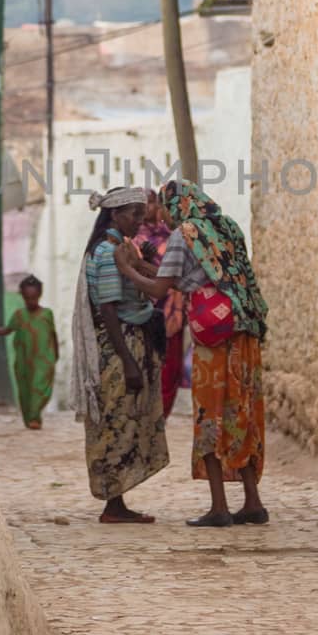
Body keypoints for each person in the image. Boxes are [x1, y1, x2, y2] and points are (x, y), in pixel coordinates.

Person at [116, 179, 268, 529]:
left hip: (214, 338)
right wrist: (147, 264)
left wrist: (127, 268)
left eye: (164, 207)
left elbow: (159, 289)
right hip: (243, 333)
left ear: (178, 205)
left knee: (210, 412)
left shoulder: (184, 233)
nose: (161, 214)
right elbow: (195, 278)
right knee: (241, 409)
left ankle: (218, 506)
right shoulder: (225, 226)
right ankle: (252, 501)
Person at [71, 186, 170, 524]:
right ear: (114, 214)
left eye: (142, 214)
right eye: (134, 214)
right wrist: (127, 359)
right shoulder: (107, 253)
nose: (140, 221)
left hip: (127, 342)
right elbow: (109, 309)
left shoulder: (120, 248)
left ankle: (118, 501)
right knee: (116, 421)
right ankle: (113, 504)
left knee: (124, 420)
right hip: (118, 347)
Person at [134, 188, 188, 419]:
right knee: (144, 364)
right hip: (142, 312)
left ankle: (160, 417)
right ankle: (145, 415)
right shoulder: (131, 239)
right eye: (143, 204)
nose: (148, 209)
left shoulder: (174, 237)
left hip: (171, 312)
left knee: (169, 369)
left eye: (152, 203)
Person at [0, 275, 58, 430]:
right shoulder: (19, 315)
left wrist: (56, 355)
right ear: (22, 296)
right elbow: (7, 330)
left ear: (39, 295)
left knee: (39, 386)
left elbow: (53, 335)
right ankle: (30, 418)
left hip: (44, 359)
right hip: (24, 360)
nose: (31, 301)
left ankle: (35, 416)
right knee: (25, 389)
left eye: (34, 297)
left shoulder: (47, 314)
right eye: (28, 298)